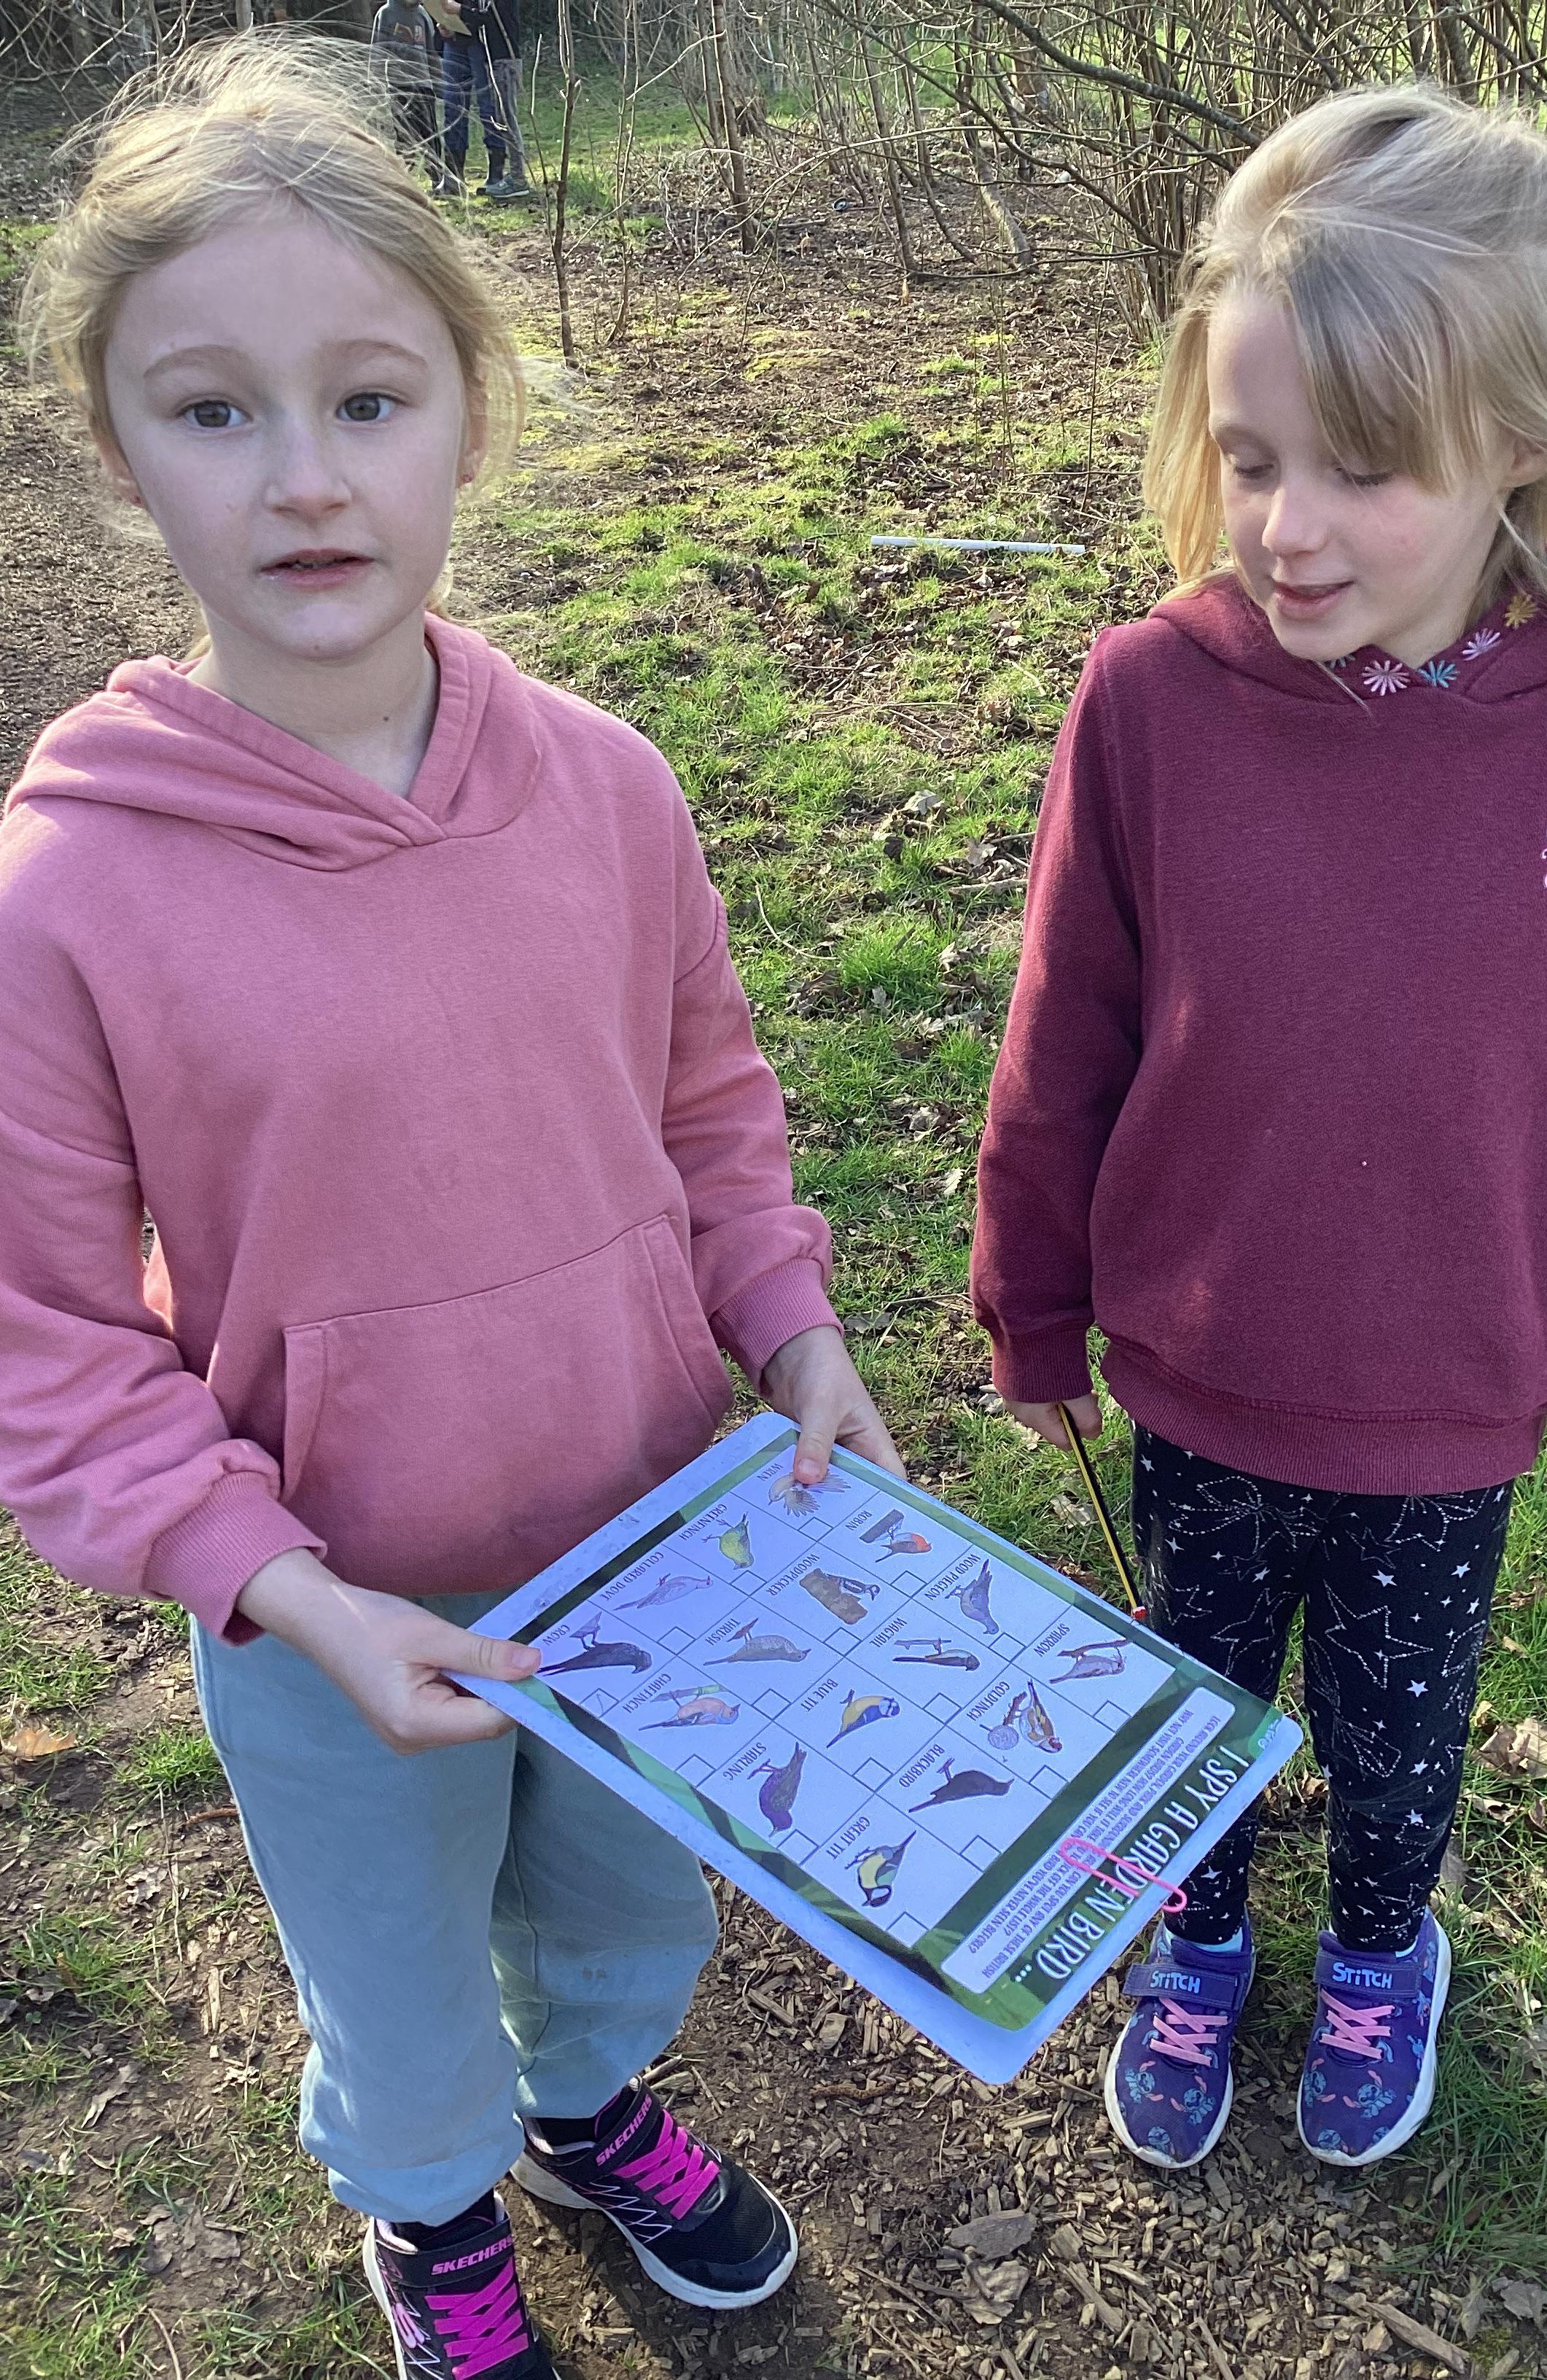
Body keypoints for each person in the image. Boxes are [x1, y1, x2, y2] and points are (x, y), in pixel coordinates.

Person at [5, 37, 900, 2379]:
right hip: (332, 1606)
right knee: (395, 1989)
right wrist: (284, 1586)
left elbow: (710, 1109)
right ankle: (432, 2209)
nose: (304, 475)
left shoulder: (609, 787)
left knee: (626, 1915)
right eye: (215, 411)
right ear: (116, 446)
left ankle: (590, 2108)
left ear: (466, 417)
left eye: (369, 399)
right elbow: (53, 1344)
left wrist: (796, 1333)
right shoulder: (71, 892)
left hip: (656, 1550)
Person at [972, 85, 1547, 2177]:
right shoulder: (1150, 701)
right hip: (1199, 1374)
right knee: (1189, 1712)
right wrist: (1031, 1300)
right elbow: (1066, 1027)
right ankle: (1199, 1935)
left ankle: (1379, 1947)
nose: (1285, 527)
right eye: (1249, 457)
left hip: (1448, 1411)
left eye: (1362, 468)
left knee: (1398, 1744)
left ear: (1518, 448)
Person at [426, 0, 526, 201]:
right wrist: (446, 23)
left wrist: (462, 13)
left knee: (490, 108)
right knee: (453, 106)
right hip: (455, 40)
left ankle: (497, 175)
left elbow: (492, 15)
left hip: (483, 41)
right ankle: (453, 178)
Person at [371, 0, 442, 177]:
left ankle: (438, 177)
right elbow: (378, 51)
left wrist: (437, 83)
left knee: (429, 133)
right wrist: (376, 80)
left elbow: (432, 52)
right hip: (398, 85)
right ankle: (404, 177)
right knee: (403, 134)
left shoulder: (422, 15)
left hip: (423, 85)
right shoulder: (386, 14)